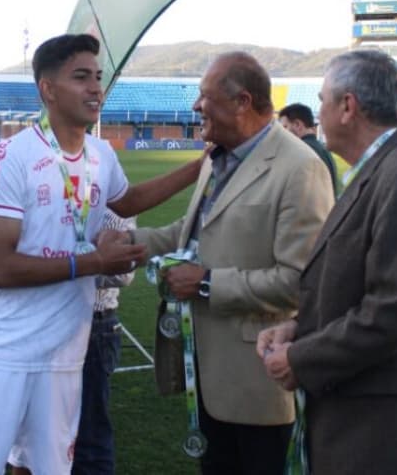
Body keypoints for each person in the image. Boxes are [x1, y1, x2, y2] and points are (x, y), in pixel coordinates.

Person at [0, 33, 202, 475]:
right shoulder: (11, 156)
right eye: (81, 77)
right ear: (47, 89)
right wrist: (93, 263)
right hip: (2, 348)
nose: (96, 87)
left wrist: (200, 166)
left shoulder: (100, 153)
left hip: (65, 350)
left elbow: (127, 200)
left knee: (46, 468)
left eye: (98, 77)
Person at [257, 49, 397, 475]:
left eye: (322, 100)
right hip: (364, 429)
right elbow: (352, 289)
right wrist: (299, 328)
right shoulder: (379, 171)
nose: (316, 113)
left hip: (390, 439)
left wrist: (301, 359)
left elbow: (394, 310)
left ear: (347, 107)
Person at [132, 52, 334, 475]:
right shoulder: (216, 157)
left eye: (204, 97)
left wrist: (205, 284)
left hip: (259, 381)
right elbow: (192, 233)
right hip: (207, 374)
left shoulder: (300, 168)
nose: (195, 107)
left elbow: (301, 281)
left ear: (242, 102)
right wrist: (134, 243)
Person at [72, 208, 136, 475]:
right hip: (55, 326)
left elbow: (124, 272)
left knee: (90, 435)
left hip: (94, 327)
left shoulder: (113, 203)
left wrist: (64, 270)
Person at [279, 102, 339, 194]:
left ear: (297, 125)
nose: (282, 133)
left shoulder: (301, 151)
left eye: (285, 127)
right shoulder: (322, 149)